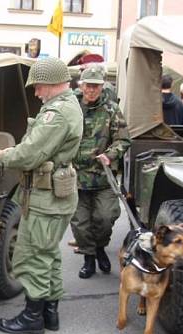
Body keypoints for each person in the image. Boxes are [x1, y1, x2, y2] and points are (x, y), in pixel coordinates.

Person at [0, 57, 83, 334]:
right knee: (49, 255)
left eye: (39, 87)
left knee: (32, 257)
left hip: (47, 198)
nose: (36, 92)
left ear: (54, 84)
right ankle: (49, 313)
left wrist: (3, 156)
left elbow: (30, 153)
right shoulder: (67, 107)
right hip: (52, 195)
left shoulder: (57, 113)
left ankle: (32, 318)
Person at [71, 67, 131, 279]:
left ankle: (99, 248)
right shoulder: (71, 106)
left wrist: (110, 155)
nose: (91, 90)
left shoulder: (111, 109)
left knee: (105, 218)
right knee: (80, 222)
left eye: (96, 85)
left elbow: (123, 139)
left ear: (102, 86)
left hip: (102, 177)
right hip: (75, 177)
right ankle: (89, 258)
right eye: (88, 85)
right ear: (81, 85)